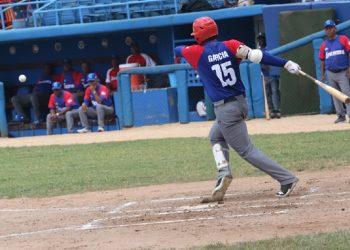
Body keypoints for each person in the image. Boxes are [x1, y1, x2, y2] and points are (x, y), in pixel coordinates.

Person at [175, 17, 300, 203]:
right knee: (215, 136)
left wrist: (182, 51)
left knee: (247, 150)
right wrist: (285, 63)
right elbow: (259, 55)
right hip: (240, 103)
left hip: (226, 109)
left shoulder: (195, 52)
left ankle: (286, 179)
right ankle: (223, 172)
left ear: (200, 35)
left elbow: (177, 49)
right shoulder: (232, 45)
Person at [319, 19, 350, 124]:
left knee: (346, 93)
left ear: (335, 28)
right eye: (327, 29)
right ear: (325, 30)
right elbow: (322, 60)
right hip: (330, 73)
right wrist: (322, 74)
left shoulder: (343, 39)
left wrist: (349, 67)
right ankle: (341, 115)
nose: (329, 30)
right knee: (335, 94)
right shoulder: (324, 44)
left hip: (343, 72)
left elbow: (349, 52)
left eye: (331, 28)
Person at [257, 32, 282, 119]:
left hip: (272, 74)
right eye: (259, 39)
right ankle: (271, 111)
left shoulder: (269, 48)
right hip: (264, 75)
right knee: (267, 93)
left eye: (262, 38)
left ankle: (277, 110)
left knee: (275, 92)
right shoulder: (258, 50)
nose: (260, 40)